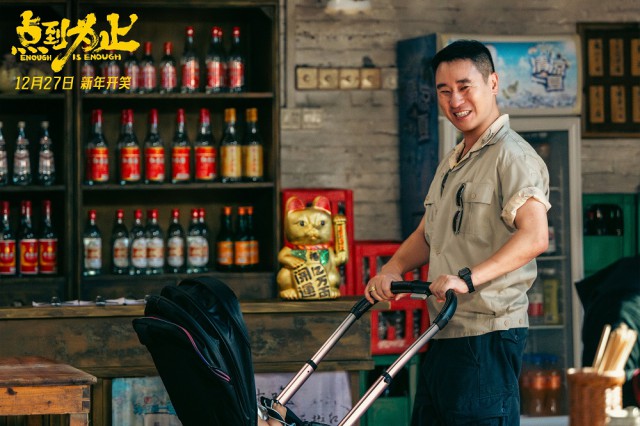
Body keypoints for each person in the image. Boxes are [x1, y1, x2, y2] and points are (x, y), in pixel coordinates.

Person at [365, 39, 551, 425]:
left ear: (493, 83)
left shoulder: (512, 156)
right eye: (444, 91)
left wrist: (466, 279)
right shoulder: (454, 161)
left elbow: (535, 237)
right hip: (444, 331)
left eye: (465, 87)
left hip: (487, 337)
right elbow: (428, 233)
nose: (455, 101)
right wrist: (392, 268)